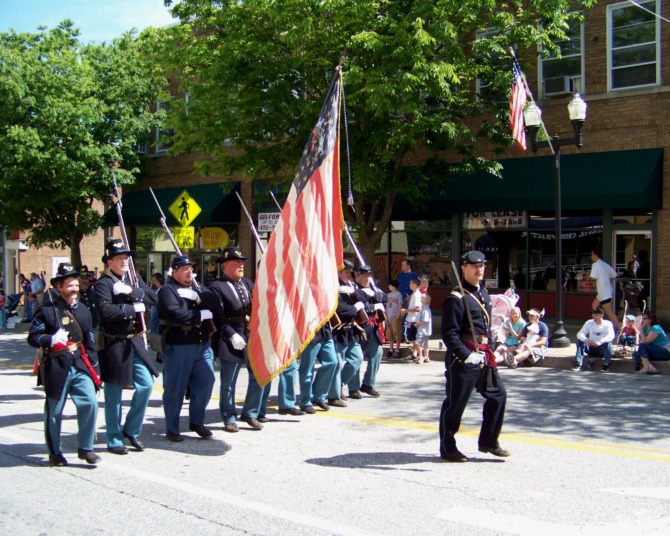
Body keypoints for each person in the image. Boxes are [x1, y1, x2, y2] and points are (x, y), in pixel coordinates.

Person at [27, 263, 102, 466]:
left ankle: (86, 448)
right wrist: (49, 339)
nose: (75, 288)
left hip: (79, 363)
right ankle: (55, 452)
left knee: (89, 403)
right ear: (59, 287)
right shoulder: (47, 311)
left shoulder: (85, 311)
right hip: (56, 364)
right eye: (70, 285)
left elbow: (89, 341)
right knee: (55, 411)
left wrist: (95, 369)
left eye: (76, 285)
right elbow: (33, 337)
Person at [439, 250, 510, 462]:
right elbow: (449, 333)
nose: (480, 269)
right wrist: (465, 355)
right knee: (455, 404)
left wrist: (494, 346)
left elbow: (485, 328)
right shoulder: (456, 298)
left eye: (482, 266)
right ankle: (448, 447)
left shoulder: (483, 294)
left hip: (484, 356)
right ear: (464, 268)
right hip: (464, 359)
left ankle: (489, 441)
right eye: (474, 266)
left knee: (498, 395)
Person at [94, 239, 159, 454]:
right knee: (113, 393)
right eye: (119, 258)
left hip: (135, 341)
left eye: (126, 258)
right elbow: (106, 312)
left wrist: (133, 291)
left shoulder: (132, 279)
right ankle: (113, 437)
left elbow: (152, 297)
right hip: (114, 342)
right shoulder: (103, 284)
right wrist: (130, 308)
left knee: (146, 385)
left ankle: (131, 429)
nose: (124, 261)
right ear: (109, 262)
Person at [158, 255, 222, 441]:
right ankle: (172, 427)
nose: (189, 272)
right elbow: (173, 312)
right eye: (184, 269)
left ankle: (197, 421)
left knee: (206, 381)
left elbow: (216, 303)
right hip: (179, 344)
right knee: (175, 388)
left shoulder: (197, 287)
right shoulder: (167, 290)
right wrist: (198, 315)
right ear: (175, 271)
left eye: (190, 268)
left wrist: (199, 298)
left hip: (202, 345)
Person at [210, 247, 269, 432]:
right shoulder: (217, 286)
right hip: (231, 336)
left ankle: (250, 413)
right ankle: (228, 416)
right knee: (229, 381)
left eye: (242, 262)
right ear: (225, 265)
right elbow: (217, 316)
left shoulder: (247, 283)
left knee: (258, 376)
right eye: (236, 262)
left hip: (250, 333)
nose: (241, 265)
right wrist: (231, 334)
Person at [327, 259, 366, 405]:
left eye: (350, 272)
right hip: (339, 328)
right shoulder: (333, 287)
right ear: (338, 272)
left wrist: (355, 292)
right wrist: (354, 309)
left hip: (352, 328)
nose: (349, 274)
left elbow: (363, 298)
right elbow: (337, 309)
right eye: (346, 271)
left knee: (357, 358)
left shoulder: (351, 285)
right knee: (337, 362)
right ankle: (334, 395)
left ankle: (340, 383)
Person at [347, 264, 387, 398]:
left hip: (372, 326)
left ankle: (368, 384)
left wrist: (374, 296)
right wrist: (374, 302)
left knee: (377, 353)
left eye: (369, 276)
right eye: (364, 276)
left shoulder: (373, 288)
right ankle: (353, 388)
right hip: (358, 326)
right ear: (357, 276)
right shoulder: (352, 288)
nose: (367, 278)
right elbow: (360, 303)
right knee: (356, 357)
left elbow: (385, 298)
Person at [571, 307, 616, 372]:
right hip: (591, 347)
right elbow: (579, 334)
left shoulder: (608, 324)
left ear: (601, 315)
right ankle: (578, 363)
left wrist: (600, 342)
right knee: (580, 341)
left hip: (602, 348)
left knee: (609, 343)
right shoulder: (589, 323)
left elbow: (611, 335)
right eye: (592, 314)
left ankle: (606, 365)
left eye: (595, 314)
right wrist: (586, 340)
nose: (593, 315)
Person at [589, 249, 621, 330]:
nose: (591, 257)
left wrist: (586, 277)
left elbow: (592, 277)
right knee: (594, 306)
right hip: (605, 291)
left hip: (604, 293)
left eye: (592, 255)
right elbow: (614, 275)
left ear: (596, 255)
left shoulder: (595, 265)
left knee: (609, 313)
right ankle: (597, 324)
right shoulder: (605, 264)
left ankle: (621, 329)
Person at [397, 259, 419, 341]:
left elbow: (418, 287)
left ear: (408, 265)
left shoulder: (414, 275)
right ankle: (402, 336)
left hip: (409, 300)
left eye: (403, 265)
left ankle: (408, 336)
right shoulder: (401, 275)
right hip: (400, 299)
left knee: (409, 318)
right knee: (401, 318)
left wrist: (411, 296)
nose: (402, 266)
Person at [401, 278, 422, 359]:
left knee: (414, 339)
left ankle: (420, 355)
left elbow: (418, 309)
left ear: (414, 284)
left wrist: (406, 310)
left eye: (410, 283)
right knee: (411, 338)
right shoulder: (414, 294)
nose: (409, 285)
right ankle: (414, 354)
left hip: (414, 320)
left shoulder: (416, 295)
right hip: (410, 319)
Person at [385, 279, 403, 358]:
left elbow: (400, 305)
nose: (389, 286)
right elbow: (387, 306)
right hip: (389, 317)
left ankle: (397, 350)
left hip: (395, 316)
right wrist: (386, 316)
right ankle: (391, 349)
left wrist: (398, 315)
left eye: (390, 285)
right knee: (390, 335)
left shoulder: (398, 294)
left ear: (394, 286)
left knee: (397, 334)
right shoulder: (388, 295)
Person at [413, 293, 432, 363]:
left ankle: (420, 356)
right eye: (421, 298)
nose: (421, 299)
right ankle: (426, 357)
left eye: (423, 298)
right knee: (425, 344)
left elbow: (425, 320)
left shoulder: (425, 309)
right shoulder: (426, 308)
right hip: (427, 330)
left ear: (427, 301)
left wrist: (418, 324)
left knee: (418, 343)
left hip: (422, 330)